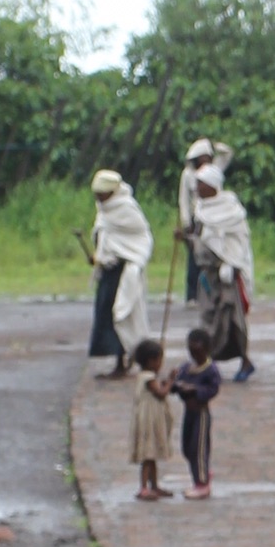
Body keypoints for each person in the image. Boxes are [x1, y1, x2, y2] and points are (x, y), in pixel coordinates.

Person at [184, 163, 255, 382]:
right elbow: (199, 239)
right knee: (207, 317)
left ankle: (244, 359)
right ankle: (208, 361)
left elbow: (238, 243)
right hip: (207, 276)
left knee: (232, 319)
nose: (197, 189)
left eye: (201, 185)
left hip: (227, 274)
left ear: (213, 186)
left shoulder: (231, 211)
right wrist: (187, 238)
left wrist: (232, 264)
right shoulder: (200, 209)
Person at [87, 169, 153, 378]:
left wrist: (131, 260)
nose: (99, 198)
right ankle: (118, 359)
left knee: (123, 315)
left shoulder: (127, 209)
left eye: (102, 194)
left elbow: (141, 239)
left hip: (124, 273)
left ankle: (124, 359)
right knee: (107, 316)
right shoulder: (104, 210)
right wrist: (99, 258)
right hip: (108, 273)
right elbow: (106, 239)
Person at [178, 138, 234, 303]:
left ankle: (213, 291)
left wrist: (214, 144)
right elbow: (183, 200)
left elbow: (228, 153)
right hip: (198, 219)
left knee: (214, 254)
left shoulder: (215, 168)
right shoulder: (188, 174)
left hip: (216, 218)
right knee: (195, 256)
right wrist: (186, 222)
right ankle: (192, 294)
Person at [170, 327, 221, 500]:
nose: (195, 356)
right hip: (189, 412)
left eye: (198, 353)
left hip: (201, 412)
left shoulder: (210, 369)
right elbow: (176, 384)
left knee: (198, 448)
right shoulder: (186, 367)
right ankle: (203, 471)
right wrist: (175, 384)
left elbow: (213, 389)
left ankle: (202, 483)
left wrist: (195, 390)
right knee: (187, 447)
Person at [130, 338, 174, 501]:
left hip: (150, 418)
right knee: (148, 456)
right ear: (152, 361)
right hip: (148, 421)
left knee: (152, 455)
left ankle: (154, 486)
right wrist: (170, 381)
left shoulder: (147, 376)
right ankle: (144, 487)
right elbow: (161, 393)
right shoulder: (148, 377)